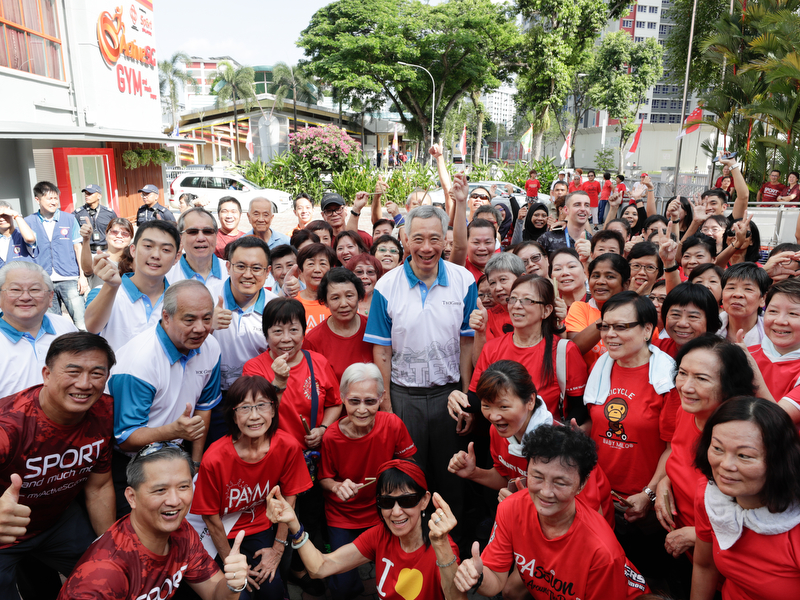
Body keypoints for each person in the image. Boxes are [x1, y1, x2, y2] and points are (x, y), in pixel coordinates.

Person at [364, 202, 477, 532]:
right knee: (408, 474)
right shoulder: (387, 286)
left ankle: (451, 546)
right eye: (418, 239)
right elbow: (381, 352)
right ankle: (413, 543)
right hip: (403, 395)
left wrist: (466, 395)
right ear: (404, 238)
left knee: (451, 475)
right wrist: (387, 407)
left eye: (434, 239)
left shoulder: (463, 280)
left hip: (449, 395)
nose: (426, 248)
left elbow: (467, 344)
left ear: (445, 239)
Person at [454, 424, 648, 599]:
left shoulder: (602, 552)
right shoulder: (510, 508)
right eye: (537, 477)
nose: (546, 492)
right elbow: (495, 580)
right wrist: (477, 576)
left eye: (560, 483)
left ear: (582, 484)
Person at [0, 332, 116, 599]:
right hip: (4, 536)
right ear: (46, 374)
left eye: (97, 373)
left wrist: (110, 548)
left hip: (58, 522)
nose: (85, 384)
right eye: (73, 371)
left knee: (112, 576)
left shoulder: (104, 410)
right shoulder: (9, 426)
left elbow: (99, 487)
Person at [58, 442, 250, 600]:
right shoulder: (104, 573)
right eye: (160, 490)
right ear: (131, 497)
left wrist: (233, 584)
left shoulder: (182, 531)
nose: (175, 501)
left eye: (184, 486)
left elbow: (215, 593)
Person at [583, 291, 681, 581]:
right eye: (605, 326)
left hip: (644, 508)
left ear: (648, 329)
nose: (610, 335)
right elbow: (596, 424)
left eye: (621, 327)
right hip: (600, 499)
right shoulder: (600, 367)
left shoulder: (668, 379)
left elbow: (673, 446)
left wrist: (649, 494)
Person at [267, 459, 463, 600]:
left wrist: (441, 546)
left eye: (406, 500)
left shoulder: (444, 547)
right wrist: (294, 523)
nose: (395, 512)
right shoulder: (381, 534)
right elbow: (321, 568)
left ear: (424, 501)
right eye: (386, 502)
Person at [107, 280, 222, 514]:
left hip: (178, 456)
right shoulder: (139, 362)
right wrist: (174, 431)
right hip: (130, 462)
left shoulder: (211, 347)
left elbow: (204, 408)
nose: (200, 328)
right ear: (166, 317)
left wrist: (195, 465)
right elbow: (125, 438)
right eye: (189, 319)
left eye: (207, 318)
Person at [191, 375, 312, 598]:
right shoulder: (215, 458)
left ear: (274, 410)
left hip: (258, 527)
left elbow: (289, 498)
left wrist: (277, 549)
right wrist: (232, 561)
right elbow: (210, 517)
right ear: (233, 416)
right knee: (238, 595)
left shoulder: (287, 446)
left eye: (262, 406)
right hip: (218, 533)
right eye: (245, 408)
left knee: (272, 587)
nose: (254, 416)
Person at [654, 336, 755, 596]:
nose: (686, 386)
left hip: (722, 569)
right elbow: (677, 457)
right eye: (683, 373)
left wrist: (698, 534)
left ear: (728, 386)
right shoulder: (687, 412)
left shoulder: (741, 439)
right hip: (683, 550)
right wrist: (664, 483)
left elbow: (762, 518)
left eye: (701, 378)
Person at [319, 364, 417, 600]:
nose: (362, 410)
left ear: (381, 398)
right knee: (342, 587)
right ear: (342, 399)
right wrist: (337, 487)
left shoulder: (392, 424)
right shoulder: (332, 436)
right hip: (343, 515)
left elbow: (409, 463)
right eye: (354, 401)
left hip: (384, 510)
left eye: (370, 401)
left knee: (398, 578)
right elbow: (324, 478)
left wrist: (393, 482)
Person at [691, 397, 800, 599]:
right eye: (717, 448)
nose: (726, 465)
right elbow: (704, 566)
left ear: (779, 461)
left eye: (744, 456)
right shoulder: (712, 499)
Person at [211, 236, 276, 432]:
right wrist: (207, 325)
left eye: (256, 268)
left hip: (260, 399)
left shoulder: (275, 307)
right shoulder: (206, 298)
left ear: (267, 272)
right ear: (228, 267)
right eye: (240, 266)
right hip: (213, 399)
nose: (248, 274)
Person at [84, 220, 180, 351]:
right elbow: (92, 327)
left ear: (176, 257)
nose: (156, 255)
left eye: (166, 249)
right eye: (148, 246)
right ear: (133, 250)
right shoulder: (103, 292)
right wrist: (111, 286)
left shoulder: (180, 300)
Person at [0, 262, 77, 398]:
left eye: (35, 290)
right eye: (15, 290)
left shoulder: (65, 327)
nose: (25, 297)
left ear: (50, 296)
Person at [24, 181, 87, 330]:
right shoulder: (28, 222)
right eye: (49, 198)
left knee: (82, 323)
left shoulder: (69, 219)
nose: (54, 202)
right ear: (37, 200)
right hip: (44, 281)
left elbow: (78, 248)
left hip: (69, 278)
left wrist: (82, 276)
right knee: (55, 326)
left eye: (55, 198)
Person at [304, 268, 373, 382]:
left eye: (349, 296)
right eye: (335, 298)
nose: (344, 304)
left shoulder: (373, 329)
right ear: (325, 301)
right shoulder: (313, 340)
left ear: (359, 296)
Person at [566, 253, 630, 370]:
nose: (600, 281)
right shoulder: (580, 308)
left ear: (626, 284)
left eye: (610, 276)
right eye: (595, 276)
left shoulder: (635, 314)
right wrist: (612, 313)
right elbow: (573, 349)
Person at [167, 207, 229, 300]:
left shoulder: (232, 273)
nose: (201, 238)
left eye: (207, 232)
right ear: (180, 238)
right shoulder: (166, 278)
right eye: (193, 232)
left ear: (216, 236)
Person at [655, 282, 722, 358]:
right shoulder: (654, 349)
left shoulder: (721, 357)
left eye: (693, 316)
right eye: (675, 315)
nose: (682, 323)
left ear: (710, 320)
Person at [717, 261, 769, 345]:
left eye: (748, 289)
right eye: (731, 288)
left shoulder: (773, 335)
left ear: (763, 299)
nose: (737, 294)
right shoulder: (708, 329)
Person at [287, 243, 335, 330]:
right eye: (311, 264)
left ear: (330, 269)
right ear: (301, 270)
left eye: (323, 264)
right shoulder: (292, 303)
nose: (317, 270)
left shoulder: (338, 302)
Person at [80, 218, 133, 291]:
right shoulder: (97, 258)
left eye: (125, 233)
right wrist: (86, 239)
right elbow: (87, 269)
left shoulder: (135, 262)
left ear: (131, 238)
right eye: (114, 232)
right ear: (106, 234)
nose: (119, 236)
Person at [537, 192, 592, 257]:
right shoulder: (548, 238)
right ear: (566, 210)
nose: (583, 209)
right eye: (577, 205)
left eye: (587, 205)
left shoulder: (592, 241)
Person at [73, 184, 117, 253]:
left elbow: (116, 231)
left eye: (90, 193)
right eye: (86, 193)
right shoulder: (78, 213)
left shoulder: (109, 213)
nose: (86, 195)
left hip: (106, 251)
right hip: (87, 253)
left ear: (99, 196)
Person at [0, 201, 36, 268]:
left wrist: (16, 215)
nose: (2, 219)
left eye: (5, 215)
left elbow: (30, 239)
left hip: (25, 277)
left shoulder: (23, 233)